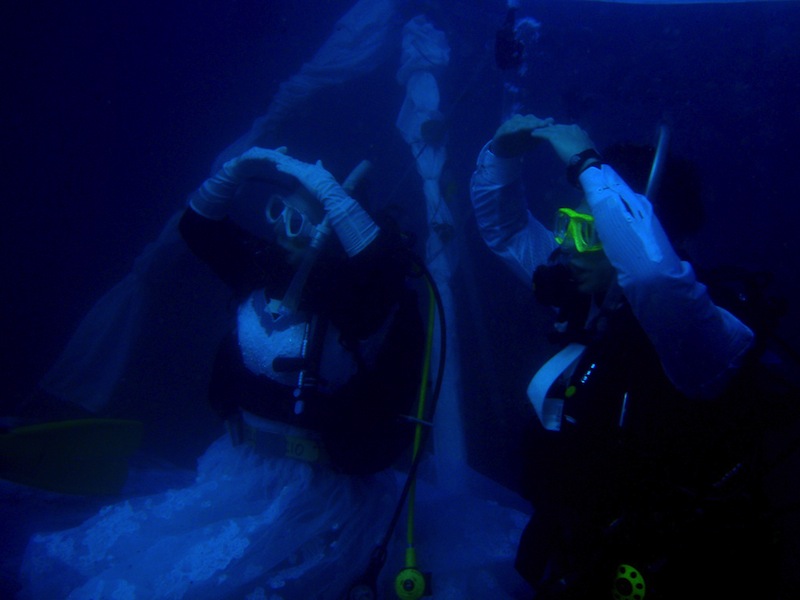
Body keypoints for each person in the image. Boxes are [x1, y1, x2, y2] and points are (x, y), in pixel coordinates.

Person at [19, 147, 426, 600]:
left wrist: (330, 194)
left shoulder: (360, 304)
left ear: (329, 234)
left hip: (320, 488)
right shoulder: (262, 267)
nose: (281, 231)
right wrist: (234, 172)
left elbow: (381, 272)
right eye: (278, 214)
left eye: (298, 223)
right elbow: (198, 228)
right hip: (241, 465)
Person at [469, 114, 778, 599]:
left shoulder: (700, 335)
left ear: (637, 231)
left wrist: (587, 166)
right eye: (568, 226)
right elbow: (507, 232)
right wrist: (501, 156)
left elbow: (654, 280)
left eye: (591, 231)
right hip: (585, 550)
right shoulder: (592, 301)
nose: (569, 248)